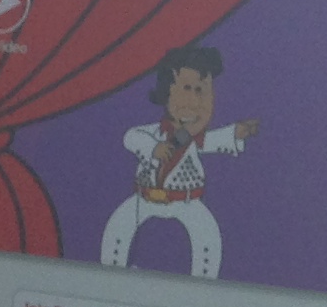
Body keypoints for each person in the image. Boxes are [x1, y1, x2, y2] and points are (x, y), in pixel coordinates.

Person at [100, 43, 259, 279]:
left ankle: (203, 286)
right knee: (118, 230)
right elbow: (131, 137)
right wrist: (153, 149)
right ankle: (108, 278)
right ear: (166, 91)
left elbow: (215, 139)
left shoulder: (195, 139)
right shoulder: (153, 133)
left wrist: (236, 133)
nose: (194, 101)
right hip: (144, 197)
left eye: (202, 90)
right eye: (186, 88)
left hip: (187, 201)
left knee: (207, 236)